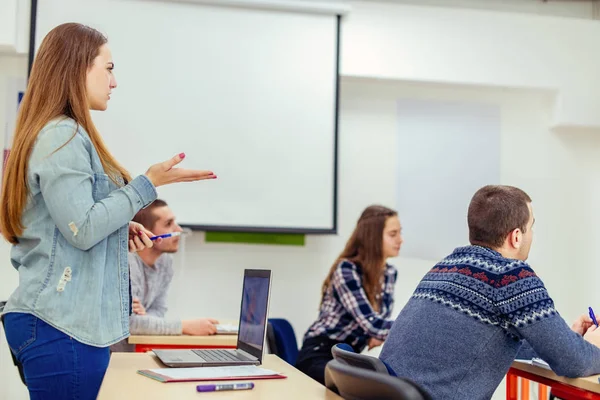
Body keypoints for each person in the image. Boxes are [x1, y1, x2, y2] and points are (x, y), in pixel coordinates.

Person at [0, 23, 216, 400]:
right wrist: (148, 182)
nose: (114, 82)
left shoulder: (64, 133)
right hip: (60, 326)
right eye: (109, 68)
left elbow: (76, 222)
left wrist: (118, 227)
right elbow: (82, 228)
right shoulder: (60, 135)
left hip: (62, 326)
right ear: (78, 67)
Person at [379, 185, 600, 400]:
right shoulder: (512, 276)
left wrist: (567, 340)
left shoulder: (443, 267)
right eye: (531, 227)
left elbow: (496, 344)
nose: (532, 234)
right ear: (516, 236)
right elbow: (575, 363)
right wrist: (592, 346)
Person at [295, 205, 403, 385]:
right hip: (320, 353)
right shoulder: (347, 270)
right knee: (369, 389)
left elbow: (376, 326)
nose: (401, 240)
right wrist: (407, 328)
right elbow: (373, 325)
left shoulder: (390, 273)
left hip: (347, 357)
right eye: (393, 234)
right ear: (373, 237)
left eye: (400, 233)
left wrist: (376, 331)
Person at [127, 199, 219, 337]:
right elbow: (129, 324)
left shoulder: (165, 261)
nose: (179, 230)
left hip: (136, 348)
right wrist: (184, 326)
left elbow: (158, 310)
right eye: (168, 224)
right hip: (114, 354)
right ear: (145, 232)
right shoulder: (127, 264)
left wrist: (144, 318)